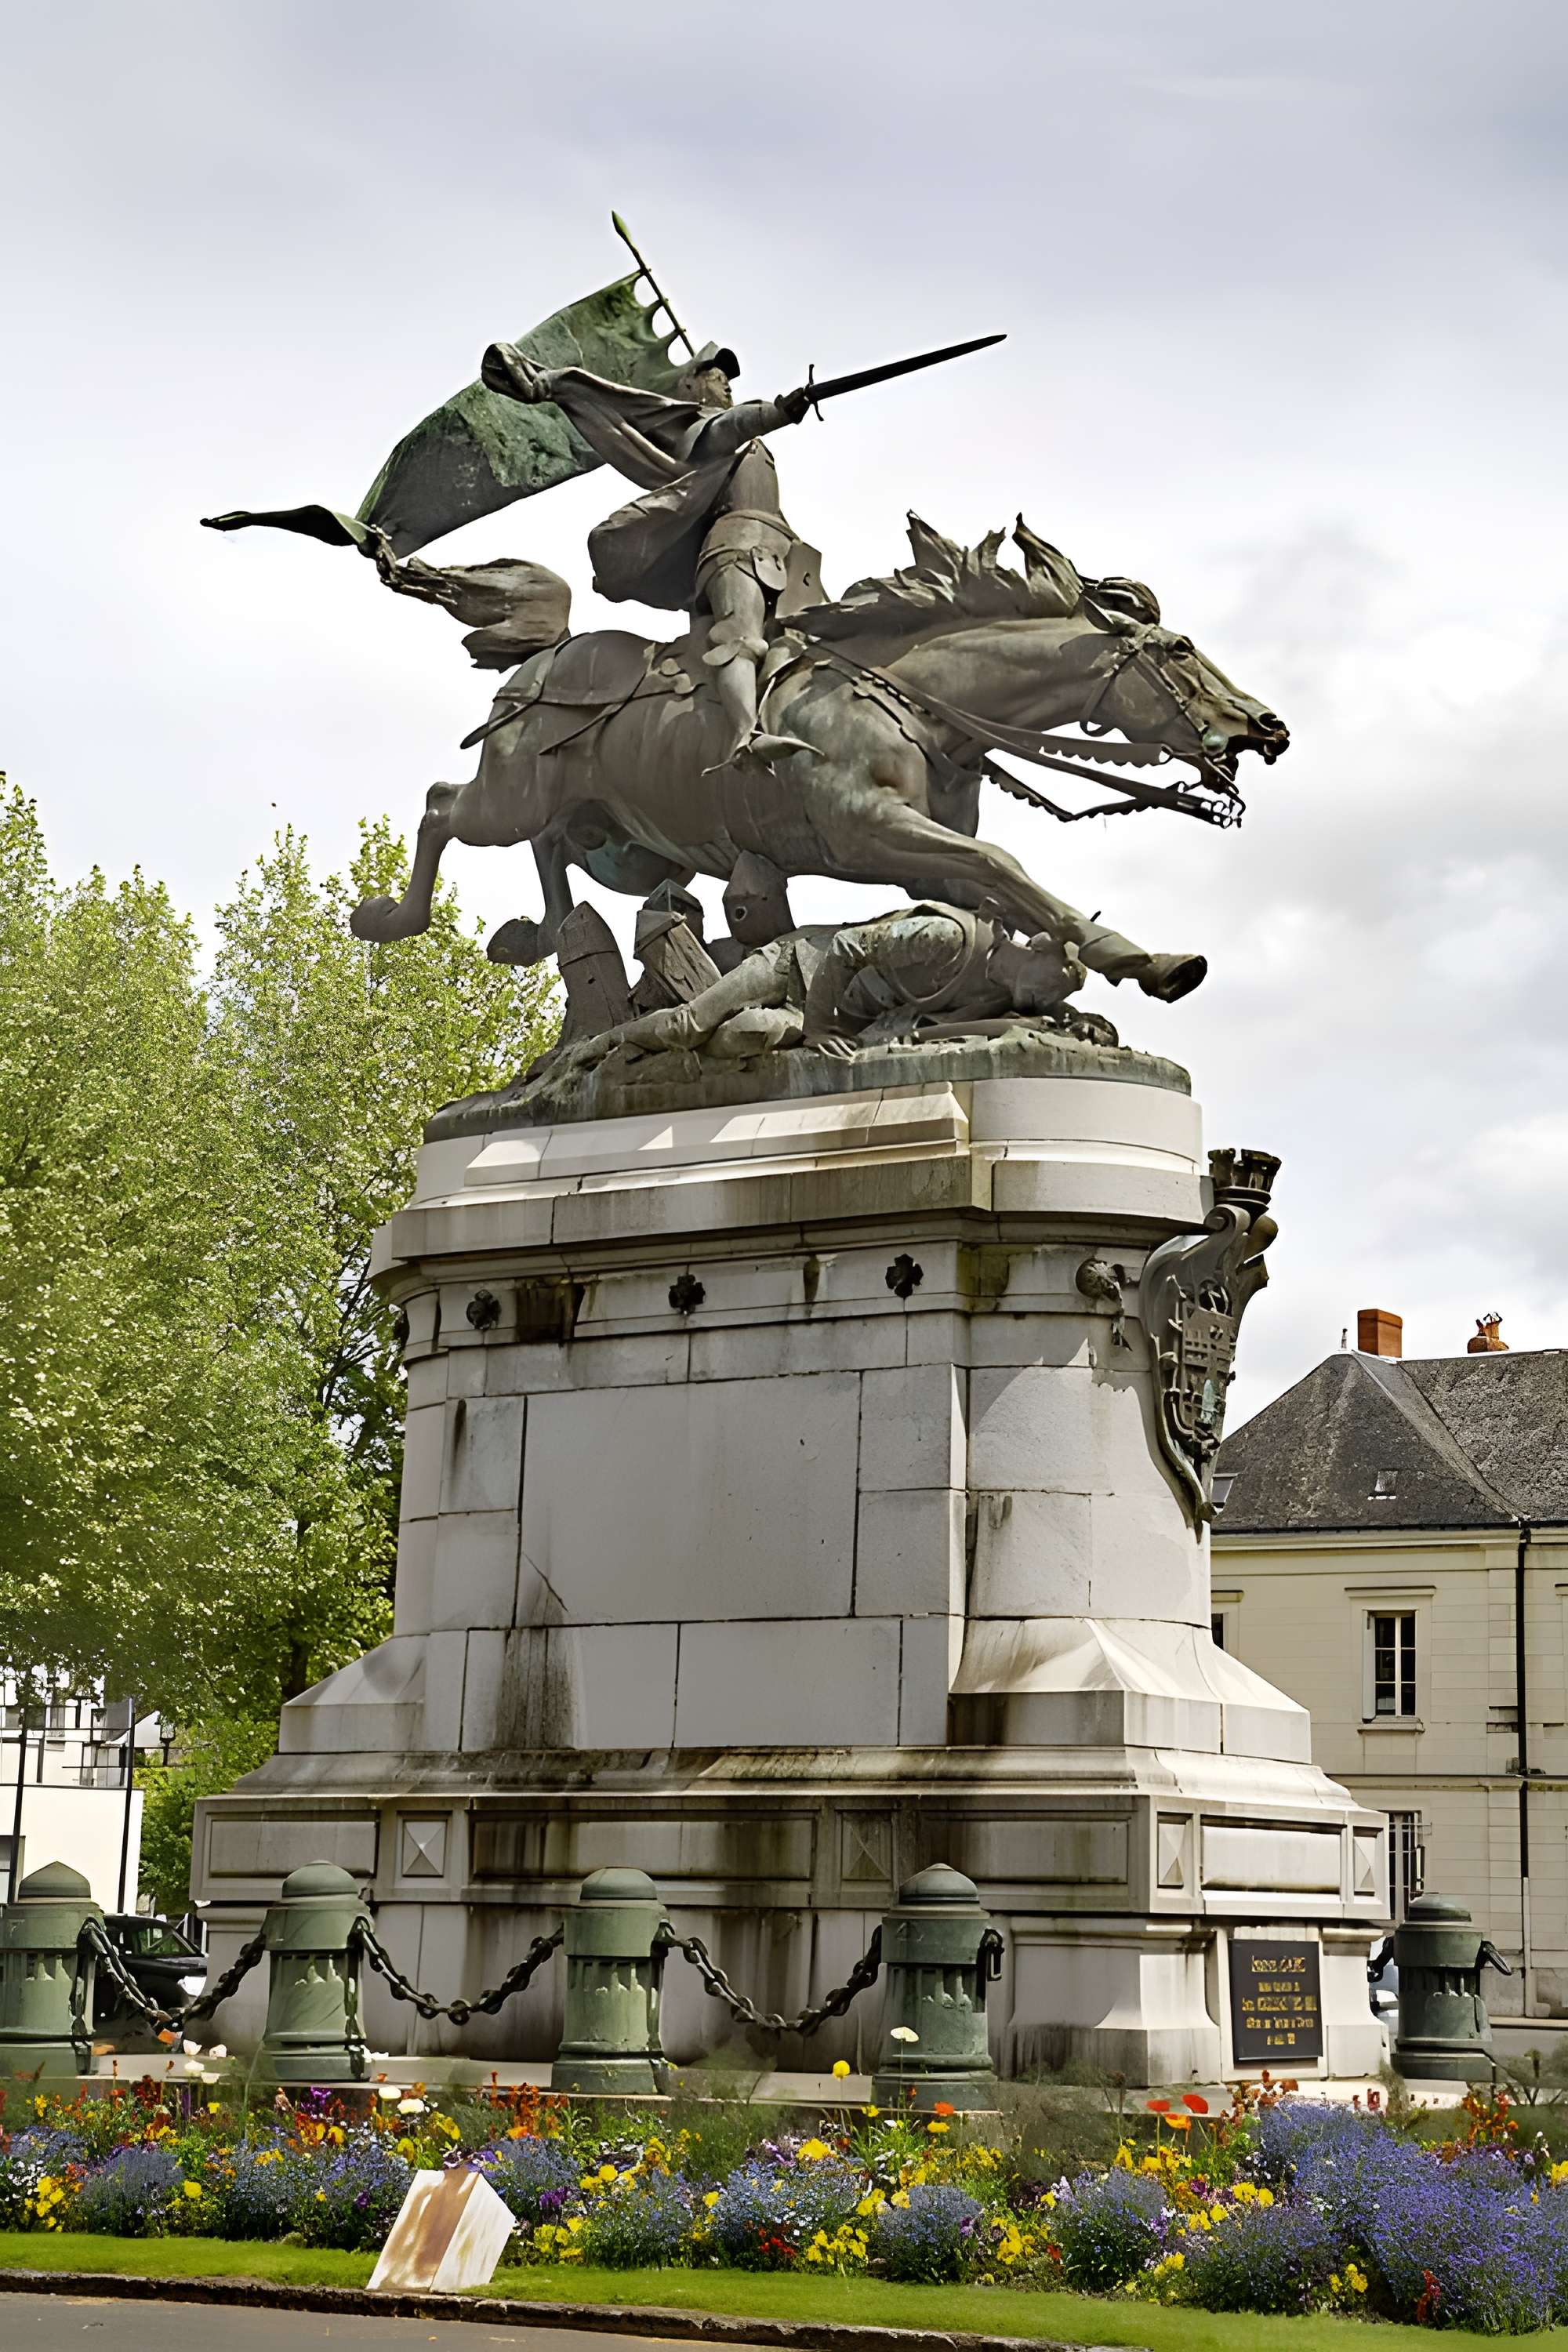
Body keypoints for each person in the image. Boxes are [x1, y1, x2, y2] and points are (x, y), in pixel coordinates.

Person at [480, 339, 814, 765]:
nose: (726, 383)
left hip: (784, 550)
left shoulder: (746, 442)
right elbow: (733, 426)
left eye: (728, 377)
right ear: (690, 385)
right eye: (716, 374)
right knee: (741, 637)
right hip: (736, 549)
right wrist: (778, 411)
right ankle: (746, 735)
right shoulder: (702, 430)